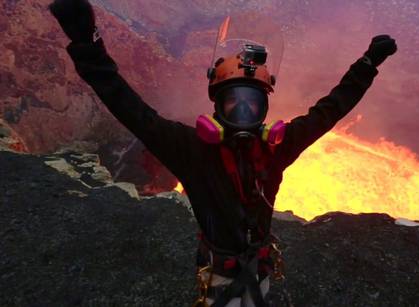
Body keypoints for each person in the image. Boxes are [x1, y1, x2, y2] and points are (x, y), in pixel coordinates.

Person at [49, 1, 397, 306]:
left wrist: (367, 65)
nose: (244, 111)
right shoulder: (192, 150)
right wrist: (88, 47)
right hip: (219, 276)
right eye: (234, 102)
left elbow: (330, 109)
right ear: (217, 106)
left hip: (258, 269)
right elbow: (130, 109)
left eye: (253, 102)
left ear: (264, 108)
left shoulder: (274, 148)